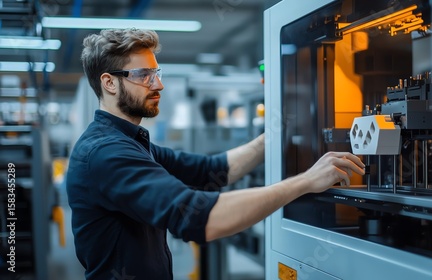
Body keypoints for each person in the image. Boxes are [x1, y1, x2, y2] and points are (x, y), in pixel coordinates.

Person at [66, 28, 365, 280]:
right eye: (144, 75)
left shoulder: (131, 142)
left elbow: (212, 169)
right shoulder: (106, 153)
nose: (159, 84)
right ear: (109, 83)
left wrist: (275, 135)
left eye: (156, 73)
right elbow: (196, 216)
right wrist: (305, 181)